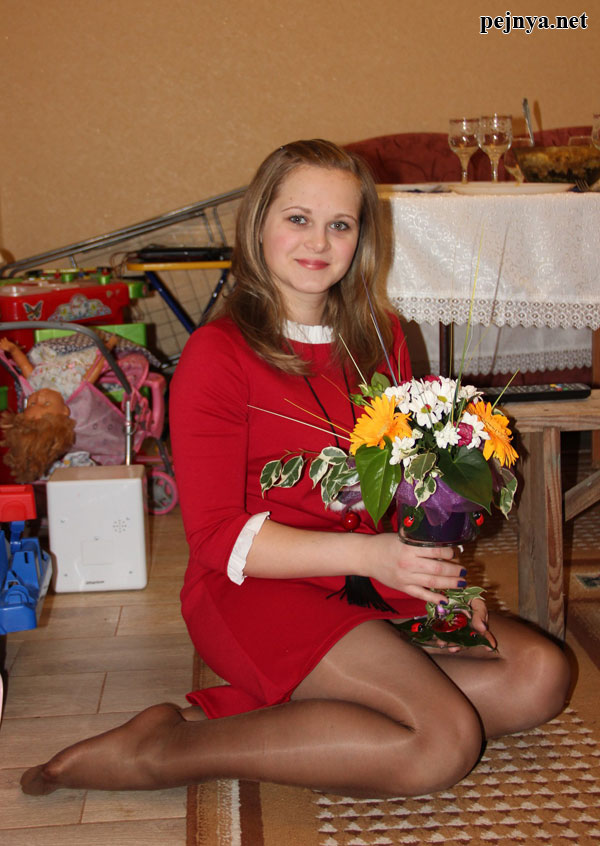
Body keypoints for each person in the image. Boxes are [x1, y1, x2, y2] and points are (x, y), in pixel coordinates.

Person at [20, 139, 570, 799]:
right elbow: (217, 538)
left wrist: (440, 584)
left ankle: (298, 701)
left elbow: (411, 482)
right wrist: (374, 558)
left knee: (540, 676)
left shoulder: (381, 335)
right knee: (441, 742)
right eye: (298, 218)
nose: (319, 241)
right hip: (256, 586)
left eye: (340, 224)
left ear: (362, 238)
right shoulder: (217, 355)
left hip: (368, 574)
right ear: (258, 226)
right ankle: (166, 749)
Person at [0, 333, 119, 482]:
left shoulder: (35, 386)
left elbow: (25, 366)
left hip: (51, 356)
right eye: (46, 404)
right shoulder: (71, 389)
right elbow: (93, 371)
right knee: (92, 344)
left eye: (32, 403)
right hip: (79, 358)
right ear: (64, 411)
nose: (39, 397)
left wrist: (13, 350)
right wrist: (107, 348)